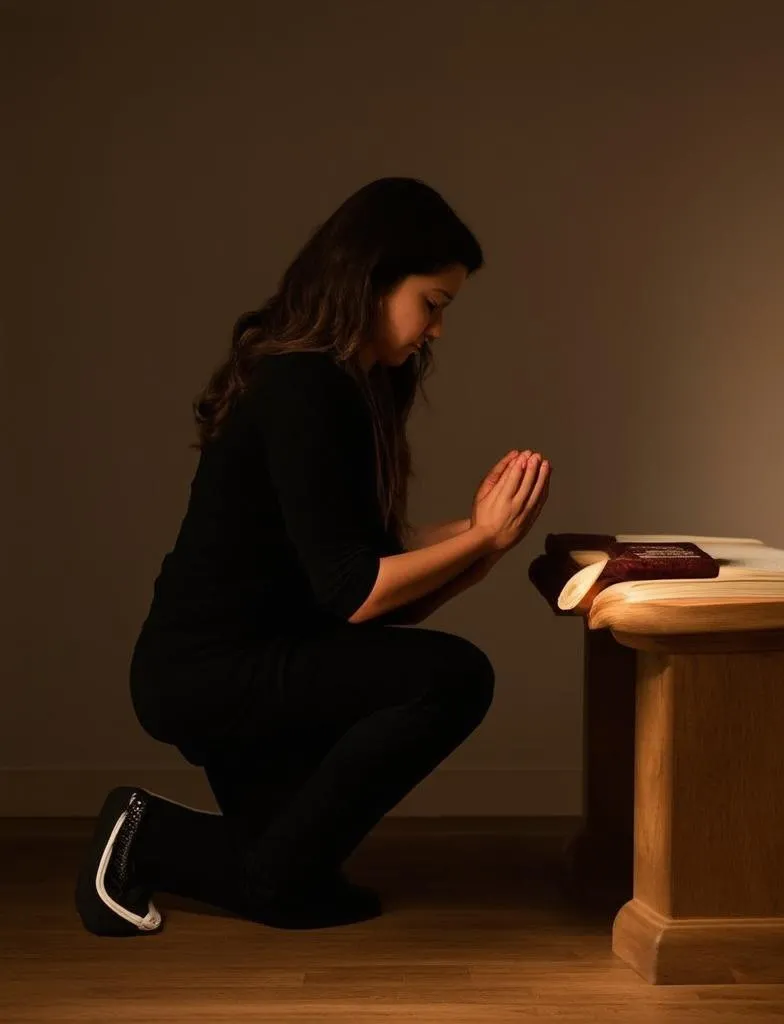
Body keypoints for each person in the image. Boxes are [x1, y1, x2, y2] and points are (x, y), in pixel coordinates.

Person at [74, 178, 551, 936]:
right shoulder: (304, 385)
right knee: (456, 677)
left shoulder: (340, 384)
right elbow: (358, 591)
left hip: (260, 657)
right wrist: (479, 539)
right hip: (212, 673)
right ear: (372, 279)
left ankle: (227, 861)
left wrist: (480, 540)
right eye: (433, 304)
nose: (437, 331)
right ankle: (148, 832)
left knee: (297, 879)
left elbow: (362, 561)